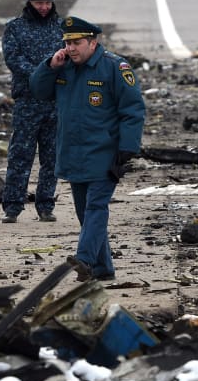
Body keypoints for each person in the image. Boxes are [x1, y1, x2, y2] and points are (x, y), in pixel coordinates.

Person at [29, 16, 145, 281]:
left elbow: (133, 110)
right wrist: (49, 66)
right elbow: (38, 91)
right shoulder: (63, 67)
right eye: (67, 42)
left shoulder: (114, 67)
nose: (71, 48)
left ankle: (85, 260)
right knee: (85, 213)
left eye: (77, 42)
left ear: (93, 43)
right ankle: (104, 267)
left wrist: (127, 149)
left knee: (95, 208)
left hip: (105, 153)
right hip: (73, 153)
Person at [0, 0, 63, 223]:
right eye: (39, 3)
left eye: (48, 2)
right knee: (20, 155)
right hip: (27, 101)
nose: (44, 7)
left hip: (55, 101)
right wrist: (44, 71)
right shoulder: (15, 28)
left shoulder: (61, 27)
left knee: (52, 157)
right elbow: (14, 60)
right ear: (30, 2)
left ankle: (46, 205)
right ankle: (13, 206)